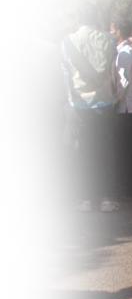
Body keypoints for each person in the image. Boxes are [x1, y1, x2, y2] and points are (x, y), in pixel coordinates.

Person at [62, 1, 118, 213]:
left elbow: (66, 73)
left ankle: (84, 198)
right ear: (97, 18)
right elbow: (113, 69)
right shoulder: (109, 39)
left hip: (80, 102)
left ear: (78, 18)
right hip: (104, 100)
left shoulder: (69, 41)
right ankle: (106, 198)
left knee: (82, 152)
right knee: (105, 151)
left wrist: (69, 102)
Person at [0, 0, 36, 220]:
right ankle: (13, 206)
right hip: (18, 102)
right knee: (17, 158)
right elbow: (30, 23)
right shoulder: (18, 38)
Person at [25, 26, 67, 207]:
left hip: (36, 107)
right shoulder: (56, 49)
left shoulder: (27, 51)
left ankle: (31, 193)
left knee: (31, 152)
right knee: (54, 151)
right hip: (57, 106)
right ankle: (56, 194)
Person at [111, 17, 132, 200]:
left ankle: (131, 189)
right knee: (129, 149)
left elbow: (123, 81)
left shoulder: (125, 52)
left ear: (118, 31)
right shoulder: (126, 51)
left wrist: (115, 100)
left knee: (128, 150)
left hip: (127, 107)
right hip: (131, 105)